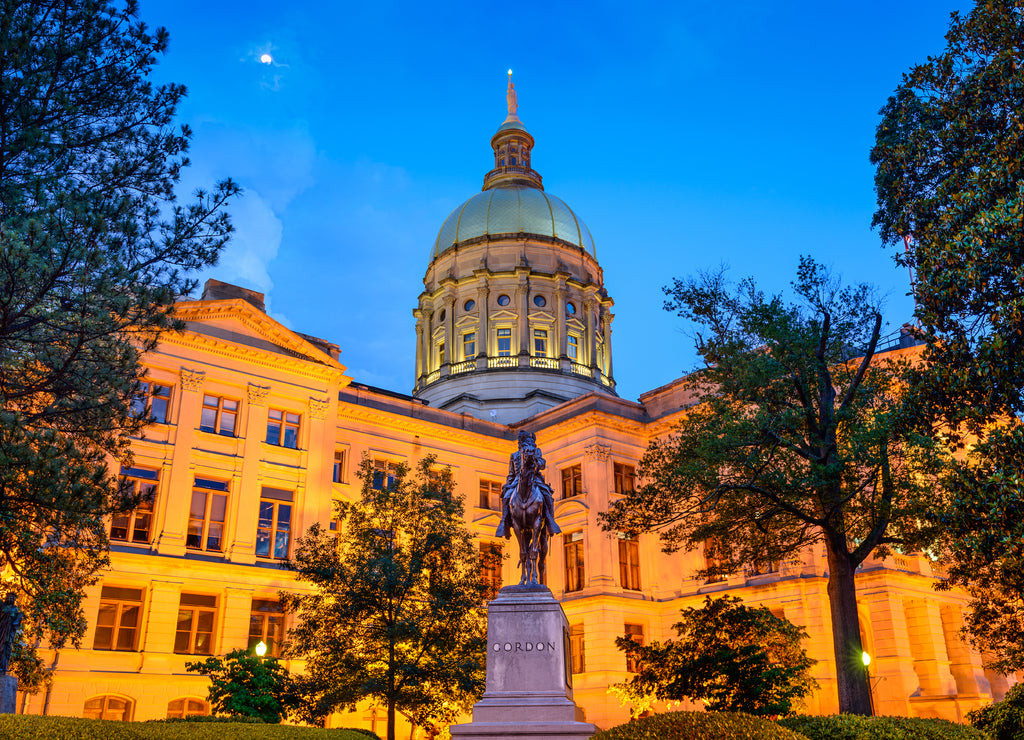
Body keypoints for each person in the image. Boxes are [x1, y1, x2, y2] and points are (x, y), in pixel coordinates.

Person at [495, 431, 561, 539]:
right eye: (520, 440)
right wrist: (508, 484)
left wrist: (534, 461)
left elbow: (542, 464)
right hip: (517, 481)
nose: (520, 442)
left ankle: (550, 520)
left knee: (547, 495)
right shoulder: (514, 455)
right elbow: (511, 473)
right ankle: (504, 523)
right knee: (506, 496)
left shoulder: (535, 451)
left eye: (522, 440)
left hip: (535, 479)